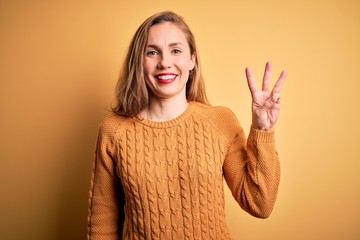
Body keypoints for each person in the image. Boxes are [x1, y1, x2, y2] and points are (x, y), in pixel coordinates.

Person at [87, 11, 287, 240]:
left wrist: (263, 129)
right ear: (139, 62)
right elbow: (102, 223)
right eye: (152, 52)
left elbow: (260, 204)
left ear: (192, 60)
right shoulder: (114, 131)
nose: (165, 62)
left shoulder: (220, 122)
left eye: (176, 50)